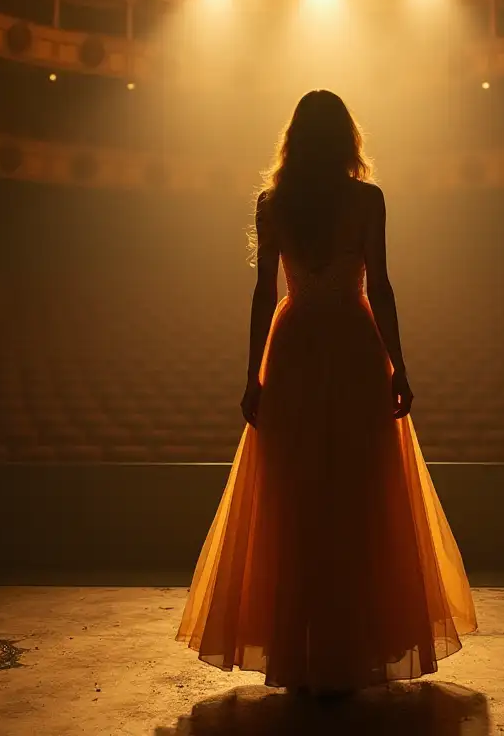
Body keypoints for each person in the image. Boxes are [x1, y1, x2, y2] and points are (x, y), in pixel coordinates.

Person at [177, 90, 476, 696]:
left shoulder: (274, 203)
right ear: (347, 140)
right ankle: (356, 648)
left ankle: (300, 652)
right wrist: (399, 365)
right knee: (360, 496)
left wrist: (252, 374)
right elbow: (382, 285)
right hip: (353, 344)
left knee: (293, 499)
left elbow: (265, 293)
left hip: (292, 349)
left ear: (294, 141)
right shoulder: (367, 200)